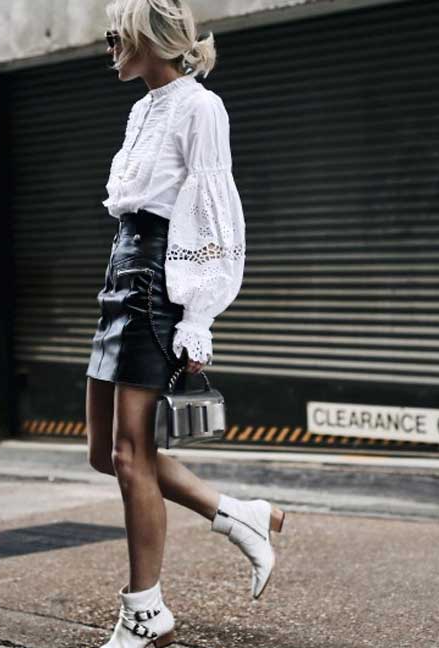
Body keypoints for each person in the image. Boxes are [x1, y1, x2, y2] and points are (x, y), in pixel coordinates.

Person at [84, 1, 286, 646]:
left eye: (119, 33)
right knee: (103, 454)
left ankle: (145, 612)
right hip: (123, 271)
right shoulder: (143, 107)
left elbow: (213, 214)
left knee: (130, 454)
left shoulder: (201, 106)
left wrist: (197, 315)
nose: (110, 42)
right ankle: (239, 514)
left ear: (152, 38)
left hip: (156, 283)